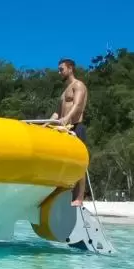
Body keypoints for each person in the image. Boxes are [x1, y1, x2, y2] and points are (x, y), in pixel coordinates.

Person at [50, 57, 89, 206]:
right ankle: (62, 194)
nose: (59, 72)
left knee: (79, 163)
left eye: (62, 69)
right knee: (63, 162)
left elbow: (78, 105)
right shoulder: (63, 92)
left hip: (75, 126)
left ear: (70, 68)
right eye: (59, 70)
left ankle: (79, 197)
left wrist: (67, 118)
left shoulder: (78, 85)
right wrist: (45, 124)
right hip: (63, 128)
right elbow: (56, 114)